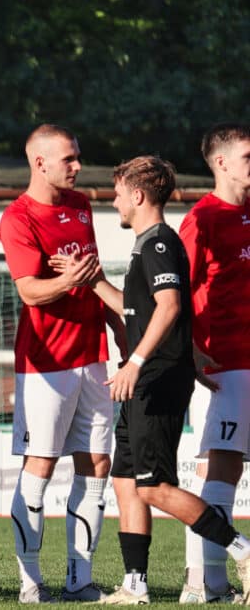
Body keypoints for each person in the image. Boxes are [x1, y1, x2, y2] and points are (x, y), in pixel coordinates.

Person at [58, 155, 250, 604]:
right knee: (126, 480)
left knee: (154, 487)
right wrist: (91, 281)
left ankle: (243, 549)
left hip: (156, 378)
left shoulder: (160, 243)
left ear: (138, 195)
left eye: (119, 193)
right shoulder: (146, 244)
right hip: (150, 375)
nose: (114, 202)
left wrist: (137, 362)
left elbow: (169, 307)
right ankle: (135, 584)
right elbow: (139, 308)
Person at [0, 124, 122, 602]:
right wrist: (71, 281)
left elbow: (93, 278)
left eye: (77, 156)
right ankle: (31, 583)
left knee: (97, 464)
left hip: (93, 357)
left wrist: (122, 336)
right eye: (68, 158)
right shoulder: (17, 218)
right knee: (41, 467)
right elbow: (29, 290)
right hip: (45, 363)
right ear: (40, 163)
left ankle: (80, 580)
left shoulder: (82, 206)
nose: (77, 165)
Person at [179, 123, 250, 603]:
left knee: (229, 470)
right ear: (221, 162)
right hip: (226, 364)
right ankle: (204, 581)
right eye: (249, 155)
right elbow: (173, 293)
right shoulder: (201, 219)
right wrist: (188, 351)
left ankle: (210, 581)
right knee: (220, 468)